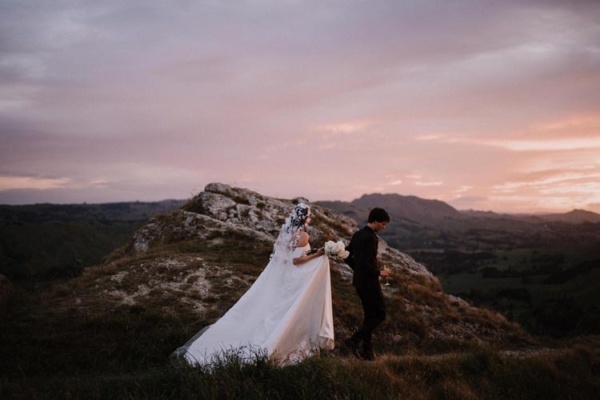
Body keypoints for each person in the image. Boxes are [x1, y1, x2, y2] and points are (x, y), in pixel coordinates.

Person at [171, 203, 334, 366]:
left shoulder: (285, 233)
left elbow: (283, 255)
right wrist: (318, 254)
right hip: (293, 277)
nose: (309, 219)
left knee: (272, 309)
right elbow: (297, 260)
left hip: (282, 276)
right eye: (309, 216)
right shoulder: (303, 236)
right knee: (285, 310)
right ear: (305, 217)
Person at [344, 207, 391, 361]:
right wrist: (380, 273)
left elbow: (346, 255)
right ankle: (353, 341)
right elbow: (365, 263)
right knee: (380, 314)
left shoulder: (358, 234)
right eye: (383, 224)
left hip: (359, 282)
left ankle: (367, 352)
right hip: (370, 282)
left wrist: (357, 269)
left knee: (370, 316)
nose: (384, 227)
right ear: (376, 221)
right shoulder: (371, 238)